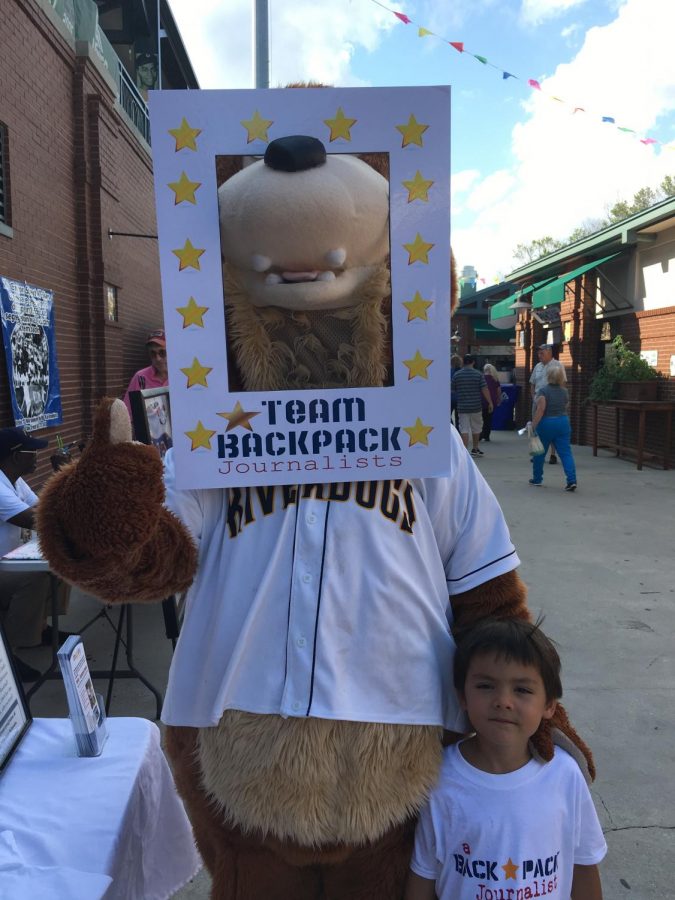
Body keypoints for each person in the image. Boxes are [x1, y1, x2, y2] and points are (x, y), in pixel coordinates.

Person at [406, 617, 606, 900]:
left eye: (522, 690)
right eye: (486, 686)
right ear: (462, 696)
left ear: (549, 705)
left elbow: (583, 864)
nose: (503, 701)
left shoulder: (565, 775)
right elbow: (424, 873)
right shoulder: (438, 777)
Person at [0, 428, 61, 681]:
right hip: (3, 568)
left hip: (9, 562)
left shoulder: (14, 479)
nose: (37, 455)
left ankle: (41, 628)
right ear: (15, 457)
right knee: (36, 576)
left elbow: (45, 507)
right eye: (32, 451)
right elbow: (37, 520)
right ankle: (8, 656)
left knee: (61, 560)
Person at [530, 360, 577, 491]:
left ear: (548, 377)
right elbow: (566, 405)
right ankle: (571, 480)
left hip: (546, 423)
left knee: (538, 452)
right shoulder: (565, 391)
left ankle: (537, 478)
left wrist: (533, 425)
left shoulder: (543, 391)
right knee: (566, 453)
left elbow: (541, 409)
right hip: (563, 422)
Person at [530, 343, 565, 465]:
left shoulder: (558, 365)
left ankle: (552, 454)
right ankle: (537, 454)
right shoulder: (537, 366)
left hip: (552, 401)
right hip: (538, 400)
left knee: (551, 429)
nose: (539, 355)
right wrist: (534, 398)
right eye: (538, 353)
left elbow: (562, 384)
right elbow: (532, 383)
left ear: (549, 353)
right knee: (535, 427)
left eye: (542, 353)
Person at [451, 354, 493, 456]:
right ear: (473, 362)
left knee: (464, 429)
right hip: (476, 407)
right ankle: (475, 448)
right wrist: (490, 402)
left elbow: (452, 390)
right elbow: (484, 389)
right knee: (476, 428)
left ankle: (464, 452)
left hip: (462, 407)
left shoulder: (457, 375)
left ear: (463, 362)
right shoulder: (478, 374)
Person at [122, 329, 168, 422]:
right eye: (153, 353)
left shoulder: (183, 377)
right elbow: (126, 414)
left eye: (162, 352)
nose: (158, 358)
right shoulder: (140, 377)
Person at [480, 363, 501, 442]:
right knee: (488, 419)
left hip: (481, 401)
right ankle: (487, 436)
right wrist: (498, 399)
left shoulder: (481, 378)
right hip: (492, 402)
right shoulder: (495, 379)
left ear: (484, 370)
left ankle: (480, 435)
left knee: (481, 419)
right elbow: (498, 391)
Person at [450, 354, 462, 429]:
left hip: (450, 397)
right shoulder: (462, 372)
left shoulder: (448, 372)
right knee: (459, 417)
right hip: (460, 397)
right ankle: (458, 431)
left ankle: (452, 428)